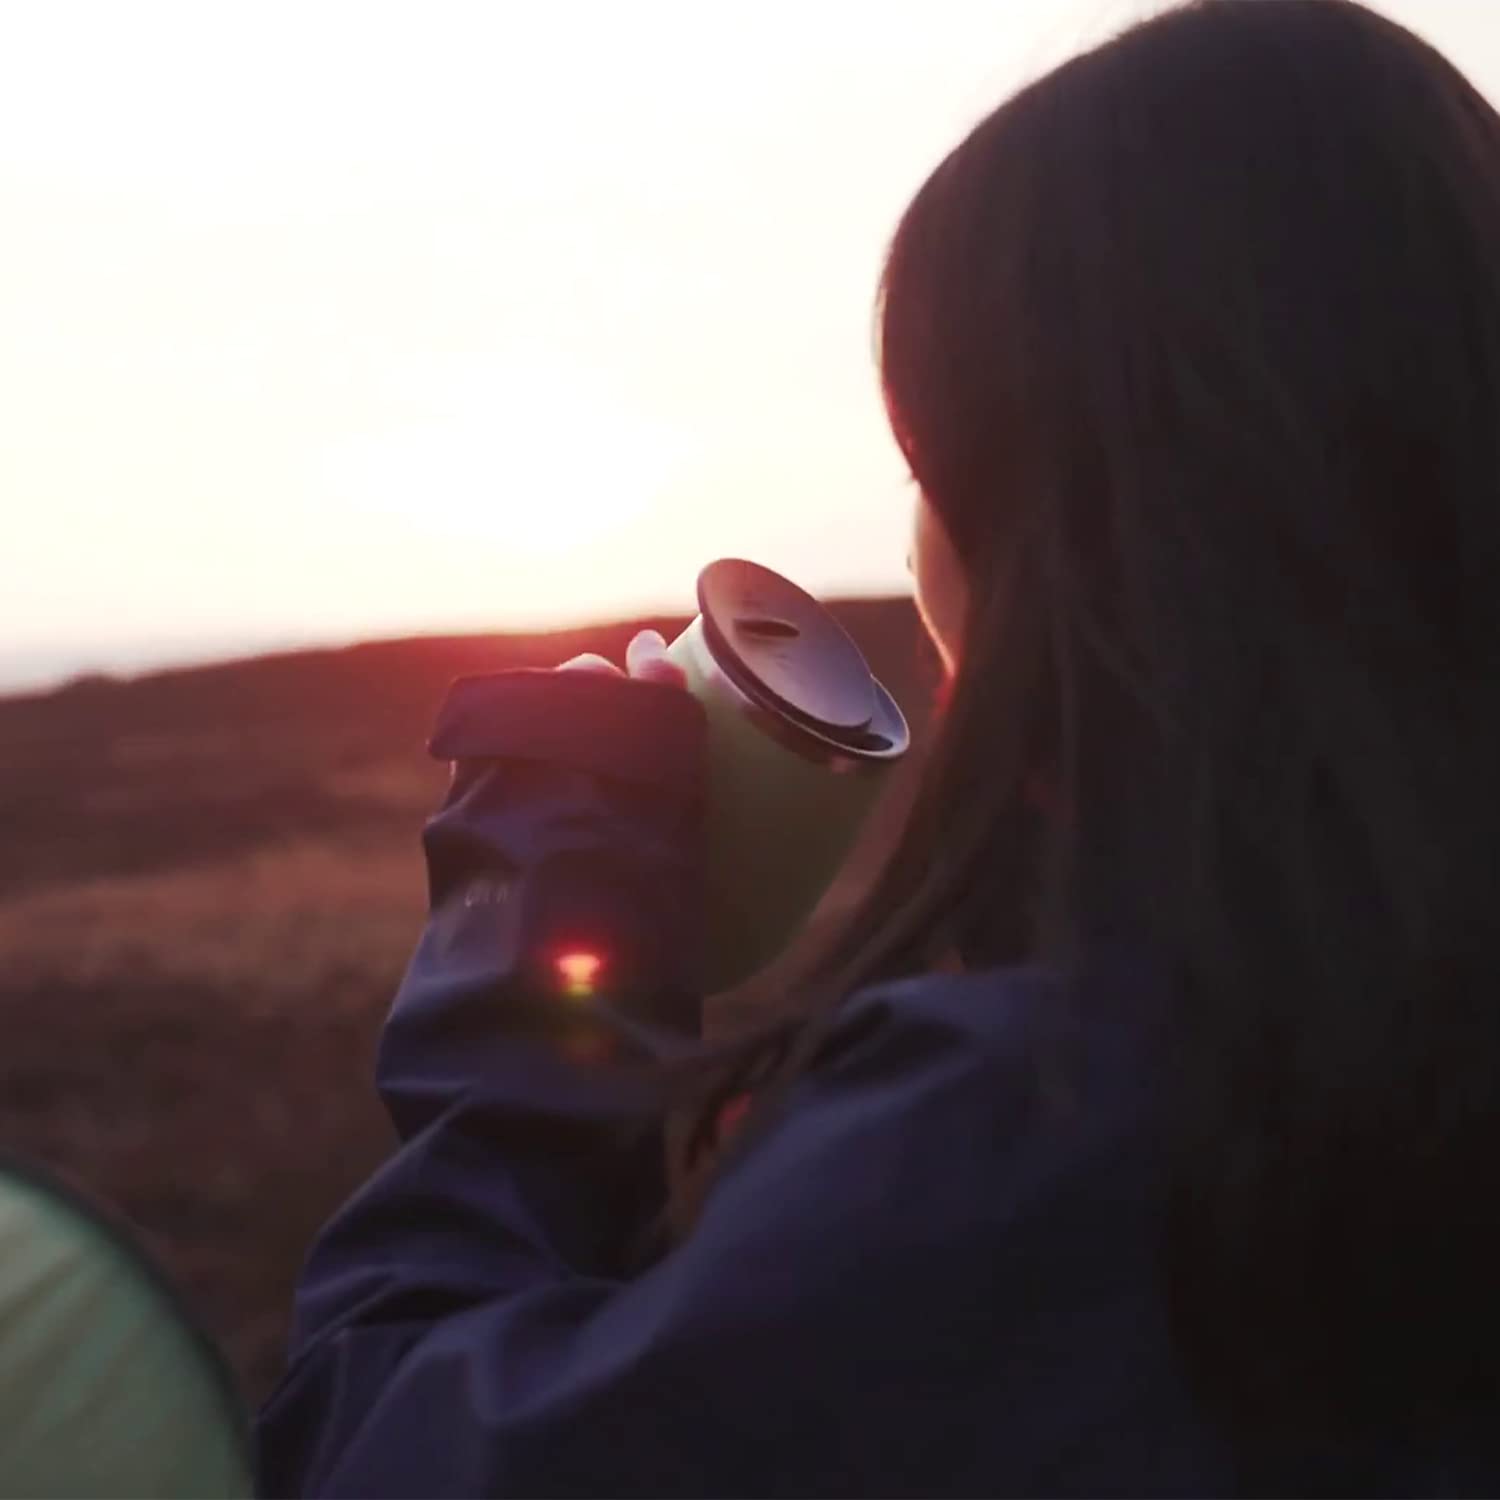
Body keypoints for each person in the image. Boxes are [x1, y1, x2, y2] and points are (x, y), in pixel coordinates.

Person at [255, 1, 1500, 1492]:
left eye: (930, 464)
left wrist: (537, 976)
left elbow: (385, 1452)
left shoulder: (1019, 1141)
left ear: (1072, 526)